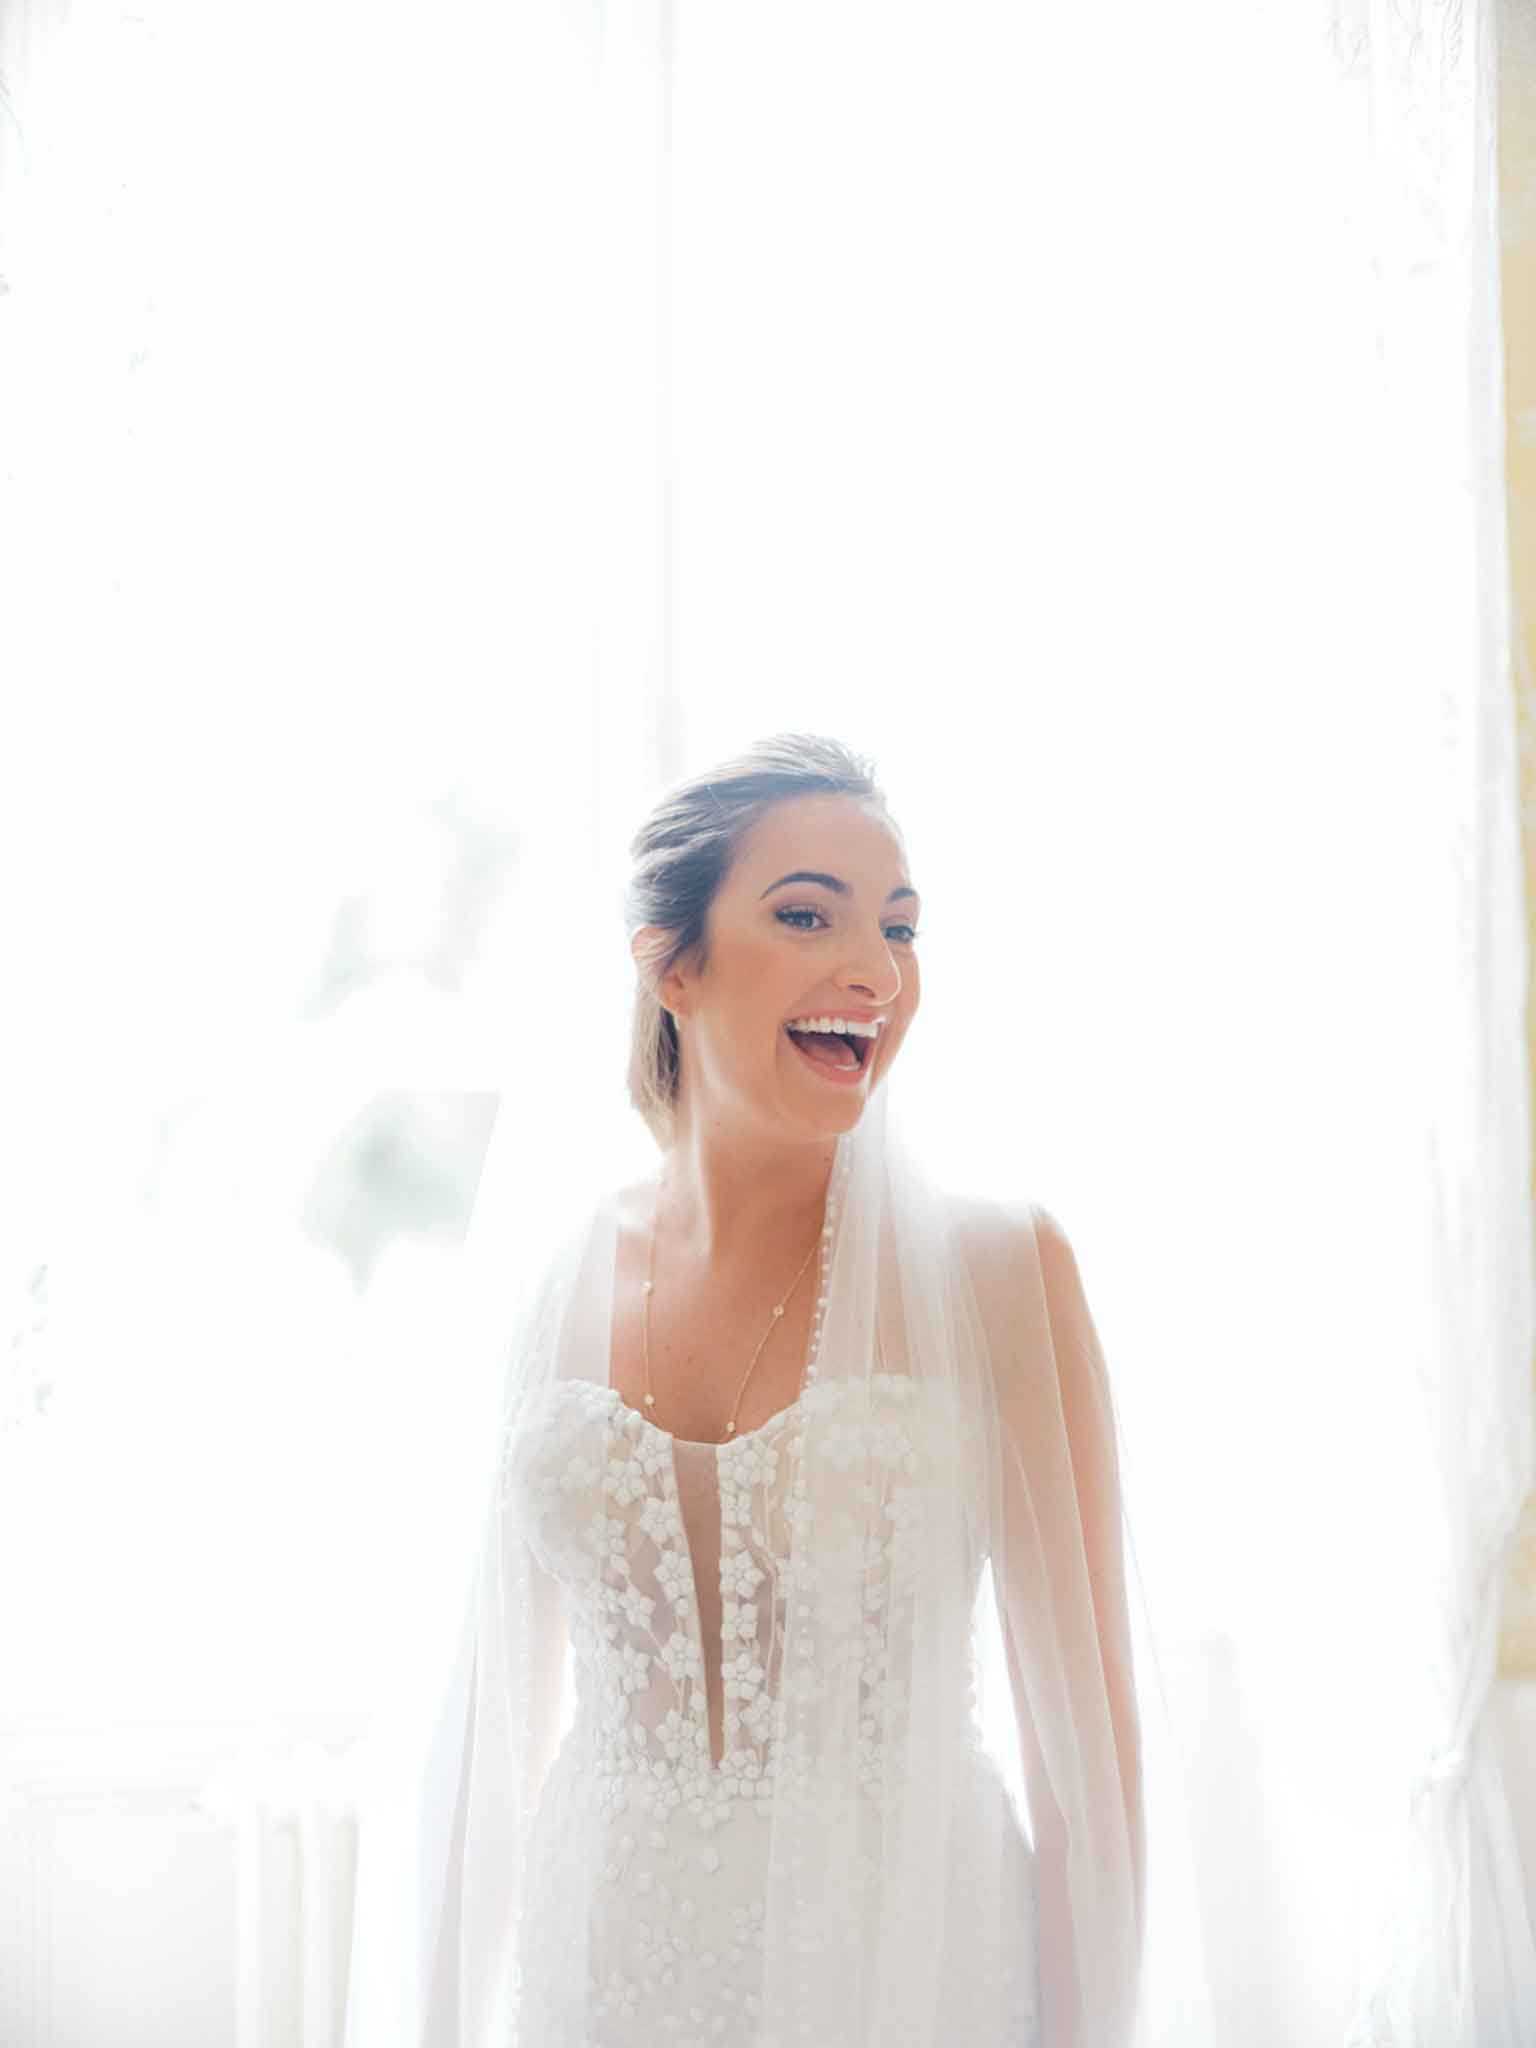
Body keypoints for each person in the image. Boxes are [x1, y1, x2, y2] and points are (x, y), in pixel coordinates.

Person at [423, 732, 1212, 2047]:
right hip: (604, 1970)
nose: (876, 972)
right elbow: (490, 1739)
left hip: (908, 1970)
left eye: (900, 930)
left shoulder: (1000, 1272)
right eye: (808, 916)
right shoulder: (556, 1286)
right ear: (672, 963)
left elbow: (1090, 1767)